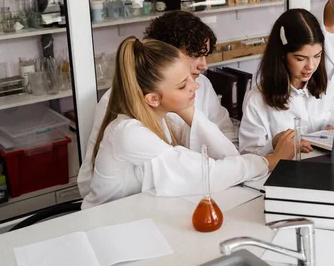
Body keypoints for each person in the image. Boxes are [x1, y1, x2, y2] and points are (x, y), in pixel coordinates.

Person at [81, 37, 295, 209]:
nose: (196, 86)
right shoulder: (128, 132)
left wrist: (189, 111)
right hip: (101, 225)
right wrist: (270, 161)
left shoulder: (161, 117)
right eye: (183, 85)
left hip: (134, 216)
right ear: (153, 98)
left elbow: (228, 156)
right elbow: (206, 172)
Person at [78, 11, 237, 199]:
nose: (204, 65)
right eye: (195, 55)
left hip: (194, 190)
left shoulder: (201, 86)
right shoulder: (121, 105)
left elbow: (227, 141)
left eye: (206, 55)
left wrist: (190, 114)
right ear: (166, 56)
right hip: (138, 204)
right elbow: (89, 184)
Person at [239, 9, 334, 156]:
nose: (310, 66)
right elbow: (248, 156)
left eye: (317, 56)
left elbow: (333, 125)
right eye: (300, 58)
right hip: (282, 173)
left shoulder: (326, 87)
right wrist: (275, 143)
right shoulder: (256, 100)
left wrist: (332, 132)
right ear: (282, 56)